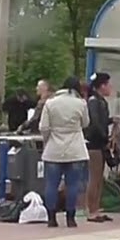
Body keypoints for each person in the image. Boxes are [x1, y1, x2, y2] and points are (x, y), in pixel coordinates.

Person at [39, 77, 89, 228]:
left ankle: (51, 218)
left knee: (51, 184)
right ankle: (70, 218)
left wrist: (48, 140)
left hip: (53, 149)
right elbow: (86, 123)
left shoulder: (50, 103)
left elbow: (44, 127)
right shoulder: (80, 103)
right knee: (72, 185)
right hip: (75, 149)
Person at [82, 72, 114, 223]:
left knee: (99, 178)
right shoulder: (94, 101)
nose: (110, 87)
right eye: (108, 84)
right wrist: (105, 137)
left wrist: (110, 121)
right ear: (102, 86)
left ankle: (96, 208)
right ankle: (91, 210)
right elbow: (94, 123)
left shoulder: (99, 100)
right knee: (94, 178)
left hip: (99, 144)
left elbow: (100, 121)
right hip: (94, 144)